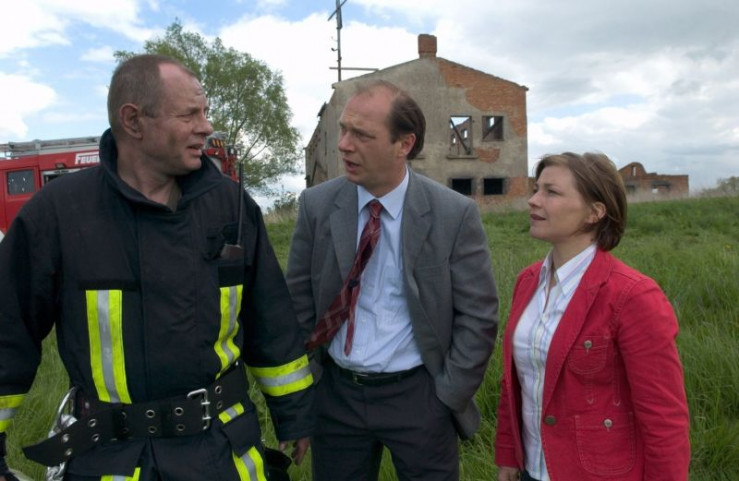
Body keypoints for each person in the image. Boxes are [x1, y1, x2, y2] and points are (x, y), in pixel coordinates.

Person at [0, 54, 313, 481]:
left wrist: (294, 414)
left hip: (221, 454)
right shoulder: (57, 213)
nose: (206, 126)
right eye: (189, 115)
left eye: (205, 112)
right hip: (109, 458)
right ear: (133, 121)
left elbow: (271, 319)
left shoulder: (230, 205)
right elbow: (8, 332)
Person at [285, 79, 498, 481]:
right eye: (343, 130)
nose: (344, 145)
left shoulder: (453, 214)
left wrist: (446, 396)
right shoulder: (317, 205)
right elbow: (296, 305)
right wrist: (303, 393)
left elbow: (479, 316)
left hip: (420, 398)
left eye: (362, 135)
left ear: (404, 144)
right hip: (336, 397)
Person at [494, 152, 690, 481]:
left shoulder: (633, 296)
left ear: (594, 212)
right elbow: (516, 380)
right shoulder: (528, 282)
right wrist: (508, 454)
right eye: (536, 189)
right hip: (530, 469)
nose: (533, 200)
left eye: (551, 192)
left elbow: (663, 416)